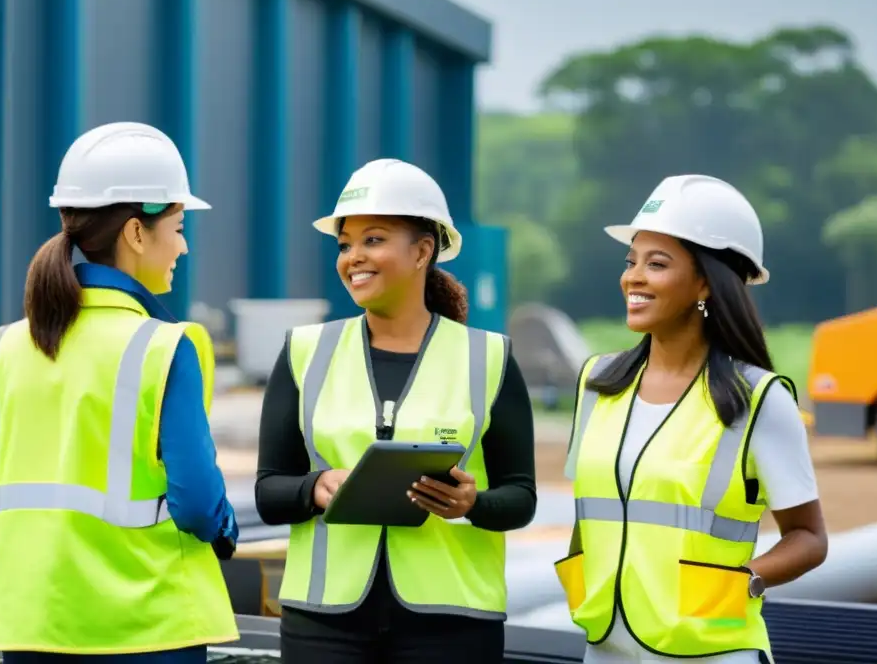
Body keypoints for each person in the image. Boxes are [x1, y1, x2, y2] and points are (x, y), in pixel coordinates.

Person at [0, 122, 240, 662]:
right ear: (137, 233)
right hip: (151, 630)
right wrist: (225, 527)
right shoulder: (165, 347)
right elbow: (201, 509)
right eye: (179, 228)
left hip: (33, 627)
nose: (183, 246)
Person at [254, 158, 538, 663]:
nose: (353, 257)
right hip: (324, 622)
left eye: (374, 240)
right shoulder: (304, 351)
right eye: (345, 244)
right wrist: (312, 488)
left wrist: (473, 504)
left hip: (451, 624)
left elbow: (521, 497)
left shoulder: (490, 358)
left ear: (423, 251)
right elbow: (269, 491)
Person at [557, 174, 828, 664]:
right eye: (631, 261)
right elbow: (593, 511)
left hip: (713, 648)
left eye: (656, 264)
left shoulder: (758, 399)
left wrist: (743, 582)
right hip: (605, 646)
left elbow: (809, 538)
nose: (633, 277)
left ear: (705, 281)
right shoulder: (597, 384)